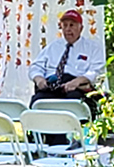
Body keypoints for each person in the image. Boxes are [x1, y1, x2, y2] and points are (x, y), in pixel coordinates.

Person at [28, 9, 106, 139]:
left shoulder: (92, 48)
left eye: (72, 25)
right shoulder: (53, 46)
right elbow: (36, 66)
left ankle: (67, 142)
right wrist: (39, 79)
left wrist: (77, 81)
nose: (68, 29)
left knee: (74, 101)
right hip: (52, 85)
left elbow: (96, 71)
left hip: (76, 88)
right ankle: (42, 141)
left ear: (81, 28)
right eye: (65, 26)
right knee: (38, 100)